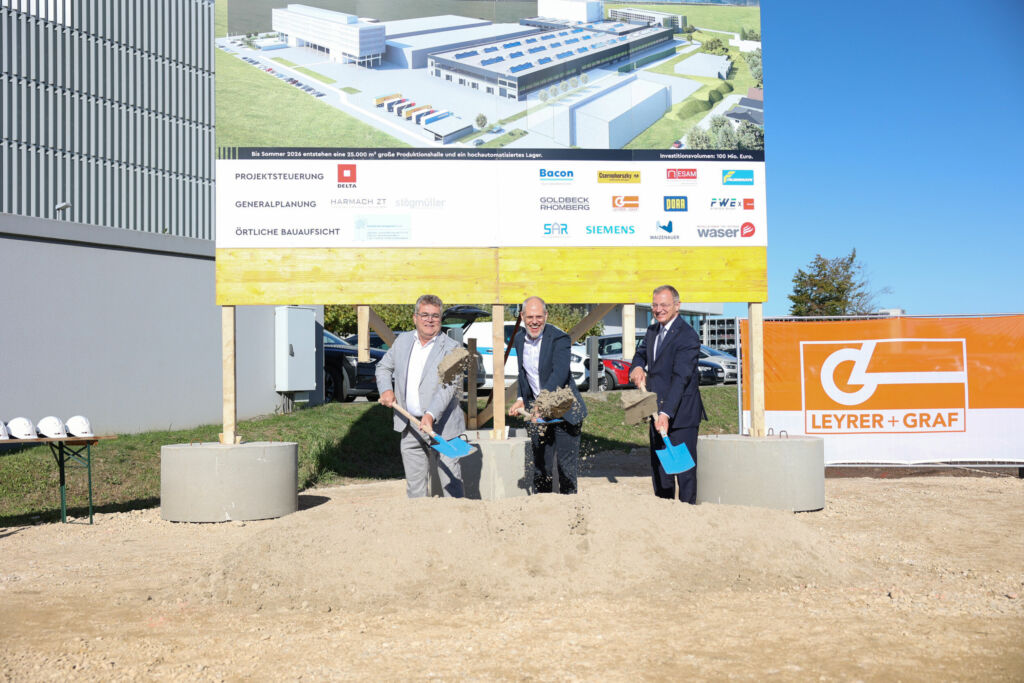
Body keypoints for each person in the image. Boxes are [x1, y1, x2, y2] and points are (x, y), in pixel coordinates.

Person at [376, 294, 465, 498]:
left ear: (440, 320)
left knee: (452, 485)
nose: (429, 320)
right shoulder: (403, 341)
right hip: (410, 426)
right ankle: (420, 527)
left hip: (445, 428)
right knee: (415, 489)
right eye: (424, 314)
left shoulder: (454, 349)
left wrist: (431, 415)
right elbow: (383, 368)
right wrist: (386, 390)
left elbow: (448, 387)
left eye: (435, 316)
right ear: (415, 317)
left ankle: (458, 524)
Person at [629, 285, 705, 504]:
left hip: (681, 415)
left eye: (664, 305)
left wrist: (666, 413)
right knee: (660, 469)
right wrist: (637, 367)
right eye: (655, 305)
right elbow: (640, 354)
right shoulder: (653, 331)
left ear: (677, 306)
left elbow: (681, 378)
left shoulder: (688, 336)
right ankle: (663, 512)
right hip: (655, 408)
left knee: (685, 473)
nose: (658, 309)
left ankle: (688, 513)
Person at [508, 296, 587, 494]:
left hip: (565, 411)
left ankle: (570, 512)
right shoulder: (519, 339)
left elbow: (558, 375)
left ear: (546, 315)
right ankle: (542, 512)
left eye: (539, 316)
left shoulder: (559, 339)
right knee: (541, 468)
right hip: (538, 413)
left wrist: (540, 403)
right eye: (530, 317)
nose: (534, 321)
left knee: (565, 469)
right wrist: (520, 399)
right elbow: (523, 374)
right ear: (522, 316)